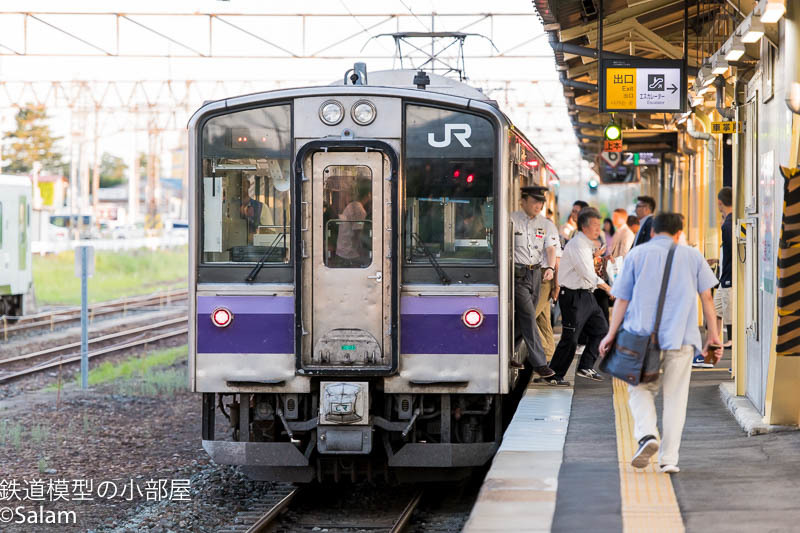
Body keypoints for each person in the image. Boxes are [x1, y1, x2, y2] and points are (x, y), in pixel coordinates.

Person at [598, 213, 723, 474]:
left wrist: (610, 334)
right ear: (679, 233)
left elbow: (621, 299)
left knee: (640, 389)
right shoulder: (693, 256)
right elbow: (707, 299)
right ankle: (669, 460)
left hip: (641, 339)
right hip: (682, 339)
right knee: (676, 398)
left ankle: (647, 435)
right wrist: (714, 336)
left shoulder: (637, 255)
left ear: (652, 232)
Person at [547, 207, 611, 385]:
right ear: (584, 227)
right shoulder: (577, 244)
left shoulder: (585, 245)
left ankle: (586, 365)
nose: (598, 229)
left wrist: (598, 258)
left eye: (599, 225)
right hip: (573, 297)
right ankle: (555, 375)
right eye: (594, 225)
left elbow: (586, 268)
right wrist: (607, 288)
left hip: (587, 295)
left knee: (601, 329)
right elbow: (586, 273)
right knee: (570, 338)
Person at [511, 186, 559, 378]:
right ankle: (539, 363)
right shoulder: (510, 220)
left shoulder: (546, 224)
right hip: (517, 274)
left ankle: (507, 352)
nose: (538, 205)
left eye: (540, 203)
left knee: (524, 319)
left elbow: (551, 249)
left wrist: (551, 268)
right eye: (534, 202)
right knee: (529, 315)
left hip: (537, 274)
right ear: (523, 201)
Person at [535, 191, 562, 362]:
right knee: (543, 320)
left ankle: (544, 358)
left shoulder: (547, 226)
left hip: (545, 276)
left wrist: (556, 285)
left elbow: (555, 256)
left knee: (529, 317)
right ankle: (549, 356)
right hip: (538, 275)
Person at [714, 187, 733, 350]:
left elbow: (733, 251)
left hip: (728, 275)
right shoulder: (730, 222)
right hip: (724, 275)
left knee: (728, 309)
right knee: (718, 308)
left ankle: (731, 340)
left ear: (720, 203)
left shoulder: (728, 224)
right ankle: (714, 340)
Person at [335, 182, 371, 267]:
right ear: (369, 195)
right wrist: (360, 251)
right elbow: (356, 233)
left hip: (342, 249)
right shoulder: (359, 210)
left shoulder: (352, 205)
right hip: (349, 252)